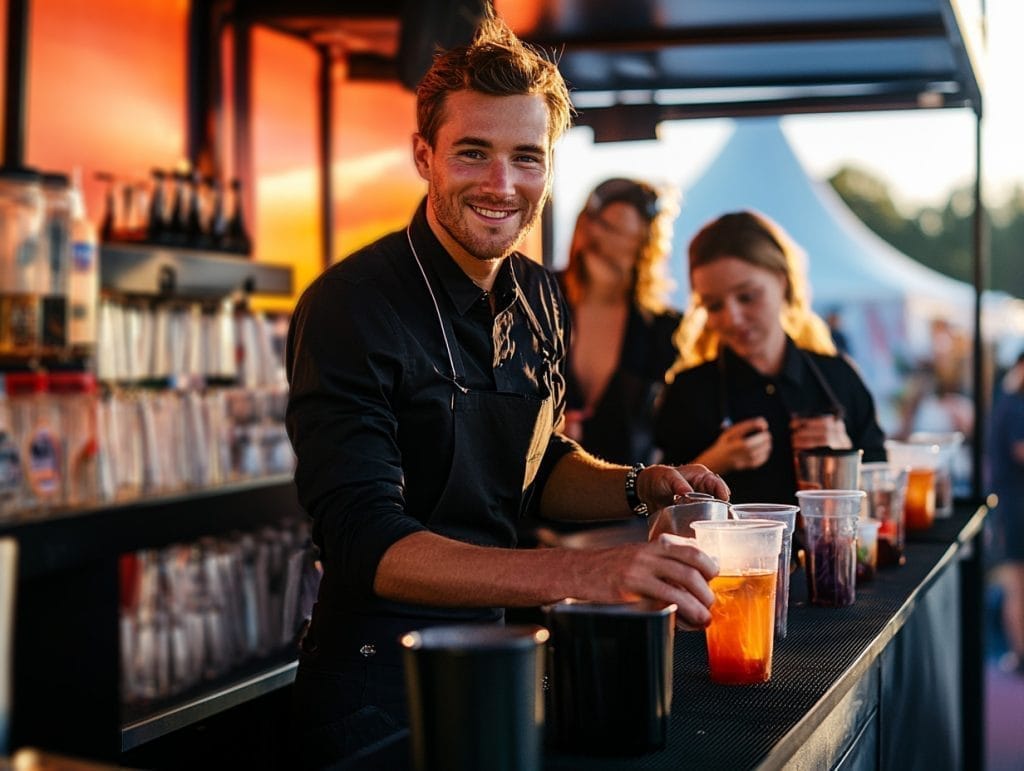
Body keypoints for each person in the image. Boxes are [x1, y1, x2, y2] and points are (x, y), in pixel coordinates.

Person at [285, 12, 728, 766]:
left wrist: (639, 486)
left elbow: (535, 462)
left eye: (527, 157)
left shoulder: (540, 293)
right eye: (473, 153)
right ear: (424, 156)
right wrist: (587, 572)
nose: (502, 185)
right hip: (375, 691)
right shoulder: (350, 305)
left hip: (505, 660)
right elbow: (365, 541)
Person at [654, 210, 886, 504]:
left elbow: (883, 491)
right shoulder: (687, 392)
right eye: (714, 306)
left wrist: (845, 457)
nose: (733, 318)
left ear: (782, 282)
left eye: (747, 297)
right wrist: (713, 463)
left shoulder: (838, 378)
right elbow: (657, 506)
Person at [559, 177, 681, 465]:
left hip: (629, 485)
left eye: (621, 234)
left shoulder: (664, 328)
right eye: (601, 225)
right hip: (544, 481)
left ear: (645, 246)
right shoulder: (537, 295)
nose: (603, 241)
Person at [987, 351, 1024, 675]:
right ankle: (1019, 654)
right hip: (1016, 509)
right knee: (1017, 584)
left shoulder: (1008, 403)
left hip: (1012, 508)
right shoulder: (1014, 406)